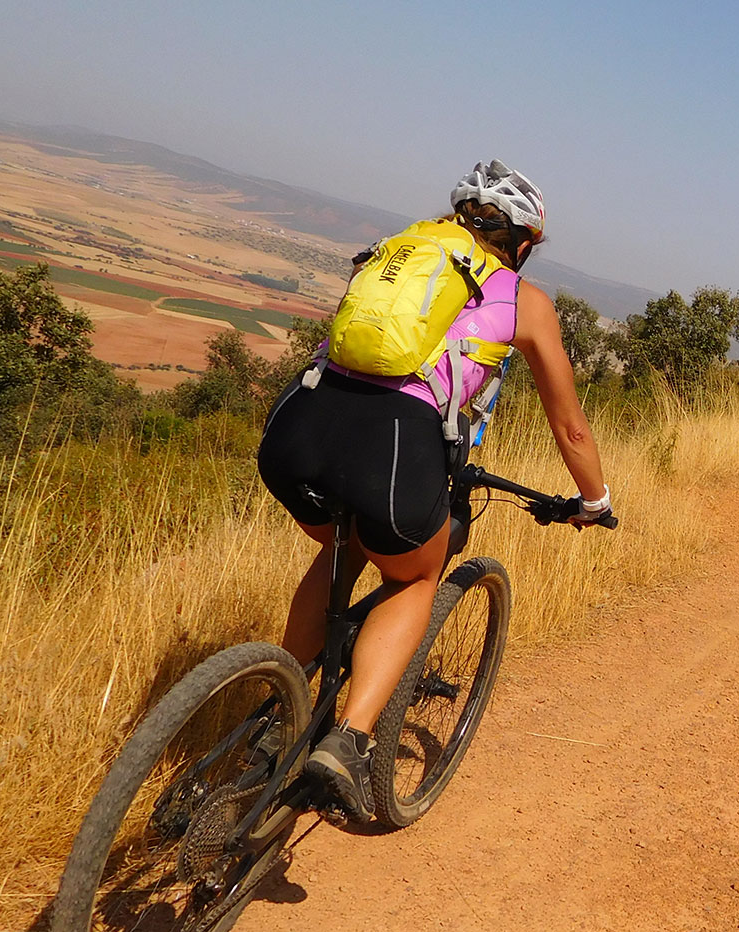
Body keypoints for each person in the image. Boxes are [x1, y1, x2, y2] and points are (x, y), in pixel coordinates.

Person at [257, 160, 610, 819]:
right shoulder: (522, 301)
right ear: (523, 243)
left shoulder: (398, 256)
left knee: (342, 547)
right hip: (392, 447)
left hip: (294, 434)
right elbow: (569, 425)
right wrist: (595, 500)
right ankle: (349, 739)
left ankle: (281, 710)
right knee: (414, 579)